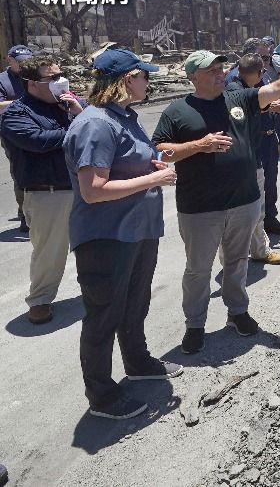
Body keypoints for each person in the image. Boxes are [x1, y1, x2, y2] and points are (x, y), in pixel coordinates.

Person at [152, 50, 280, 355]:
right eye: (211, 70)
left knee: (237, 263)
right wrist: (200, 146)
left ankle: (238, 313)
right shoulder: (177, 111)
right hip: (200, 207)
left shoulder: (237, 99)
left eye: (221, 68)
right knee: (198, 269)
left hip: (244, 201)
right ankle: (194, 325)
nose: (220, 73)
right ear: (193, 77)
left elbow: (274, 89)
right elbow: (161, 151)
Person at [63, 48, 183, 420]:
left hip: (137, 231)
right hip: (107, 238)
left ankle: (137, 361)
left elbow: (126, 163)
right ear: (126, 80)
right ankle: (102, 396)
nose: (150, 81)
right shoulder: (96, 124)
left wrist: (151, 164)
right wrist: (155, 177)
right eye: (144, 76)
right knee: (103, 315)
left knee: (134, 304)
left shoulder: (124, 118)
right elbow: (93, 189)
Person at [0, 55, 84, 323]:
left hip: (83, 186)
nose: (60, 81)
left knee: (94, 243)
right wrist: (78, 124)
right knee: (50, 251)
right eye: (52, 78)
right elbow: (39, 141)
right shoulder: (17, 114)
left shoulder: (68, 105)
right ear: (32, 84)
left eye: (61, 74)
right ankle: (40, 299)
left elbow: (98, 124)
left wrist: (79, 114)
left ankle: (99, 288)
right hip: (48, 193)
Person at [225, 53, 280, 264]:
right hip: (244, 158)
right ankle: (235, 259)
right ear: (259, 71)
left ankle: (259, 250)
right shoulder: (235, 89)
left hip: (259, 149)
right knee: (242, 211)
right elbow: (242, 112)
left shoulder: (247, 85)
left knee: (259, 206)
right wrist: (269, 107)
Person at [1, 45, 33, 232]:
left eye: (27, 61)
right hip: (13, 133)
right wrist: (24, 103)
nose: (24, 65)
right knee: (21, 170)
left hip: (40, 128)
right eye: (19, 62)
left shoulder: (35, 75)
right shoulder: (2, 81)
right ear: (9, 60)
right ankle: (24, 214)